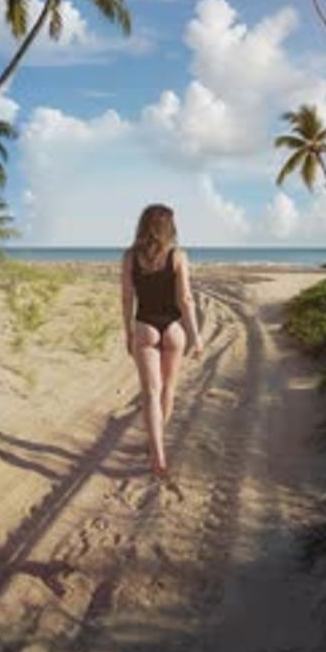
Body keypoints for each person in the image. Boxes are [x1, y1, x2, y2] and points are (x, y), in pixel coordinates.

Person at [121, 204, 203, 478]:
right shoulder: (178, 256)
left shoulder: (130, 258)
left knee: (150, 393)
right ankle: (156, 445)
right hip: (173, 330)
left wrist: (128, 332)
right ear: (170, 227)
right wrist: (196, 336)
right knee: (168, 390)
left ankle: (157, 454)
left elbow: (127, 298)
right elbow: (186, 299)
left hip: (145, 327)